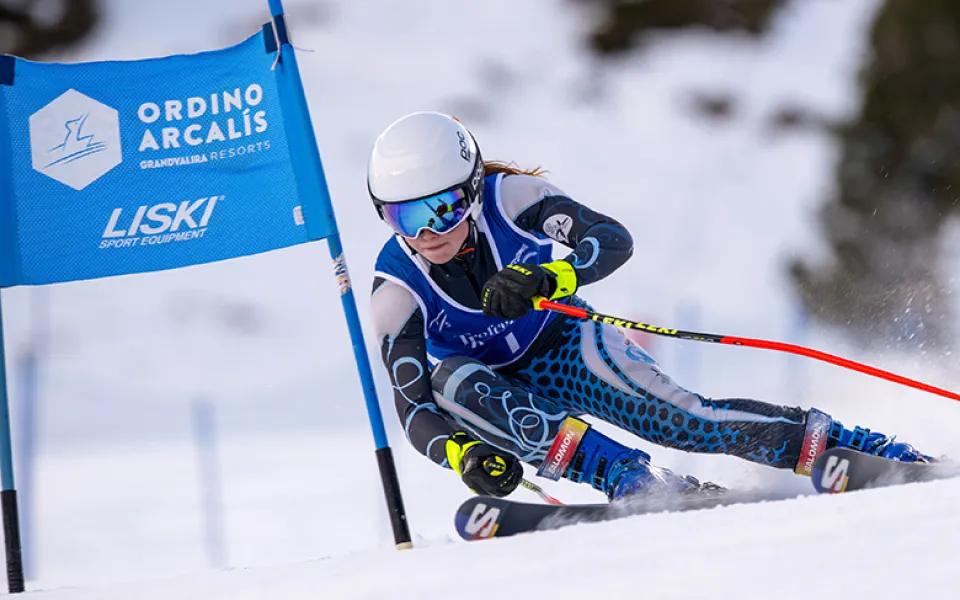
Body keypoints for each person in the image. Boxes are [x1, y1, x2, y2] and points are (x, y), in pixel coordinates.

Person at [367, 111, 931, 501]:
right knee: (450, 381)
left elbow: (612, 240)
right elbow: (413, 408)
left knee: (684, 421)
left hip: (564, 346)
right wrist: (462, 454)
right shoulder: (396, 289)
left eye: (439, 209)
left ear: (468, 189)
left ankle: (854, 448)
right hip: (497, 391)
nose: (427, 233)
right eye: (402, 218)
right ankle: (631, 479)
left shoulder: (511, 200)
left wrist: (550, 274)